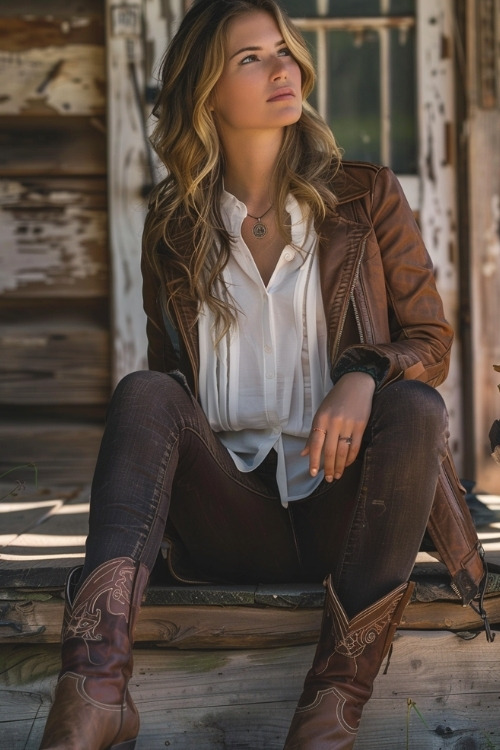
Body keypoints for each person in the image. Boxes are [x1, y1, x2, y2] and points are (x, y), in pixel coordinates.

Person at [39, 1, 491, 748]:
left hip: (344, 517)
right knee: (145, 393)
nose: (284, 68)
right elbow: (168, 382)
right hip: (228, 518)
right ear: (206, 91)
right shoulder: (175, 224)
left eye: (283, 49)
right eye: (251, 58)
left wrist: (363, 375)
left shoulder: (364, 194)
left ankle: (330, 710)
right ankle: (92, 687)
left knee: (411, 406)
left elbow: (429, 340)